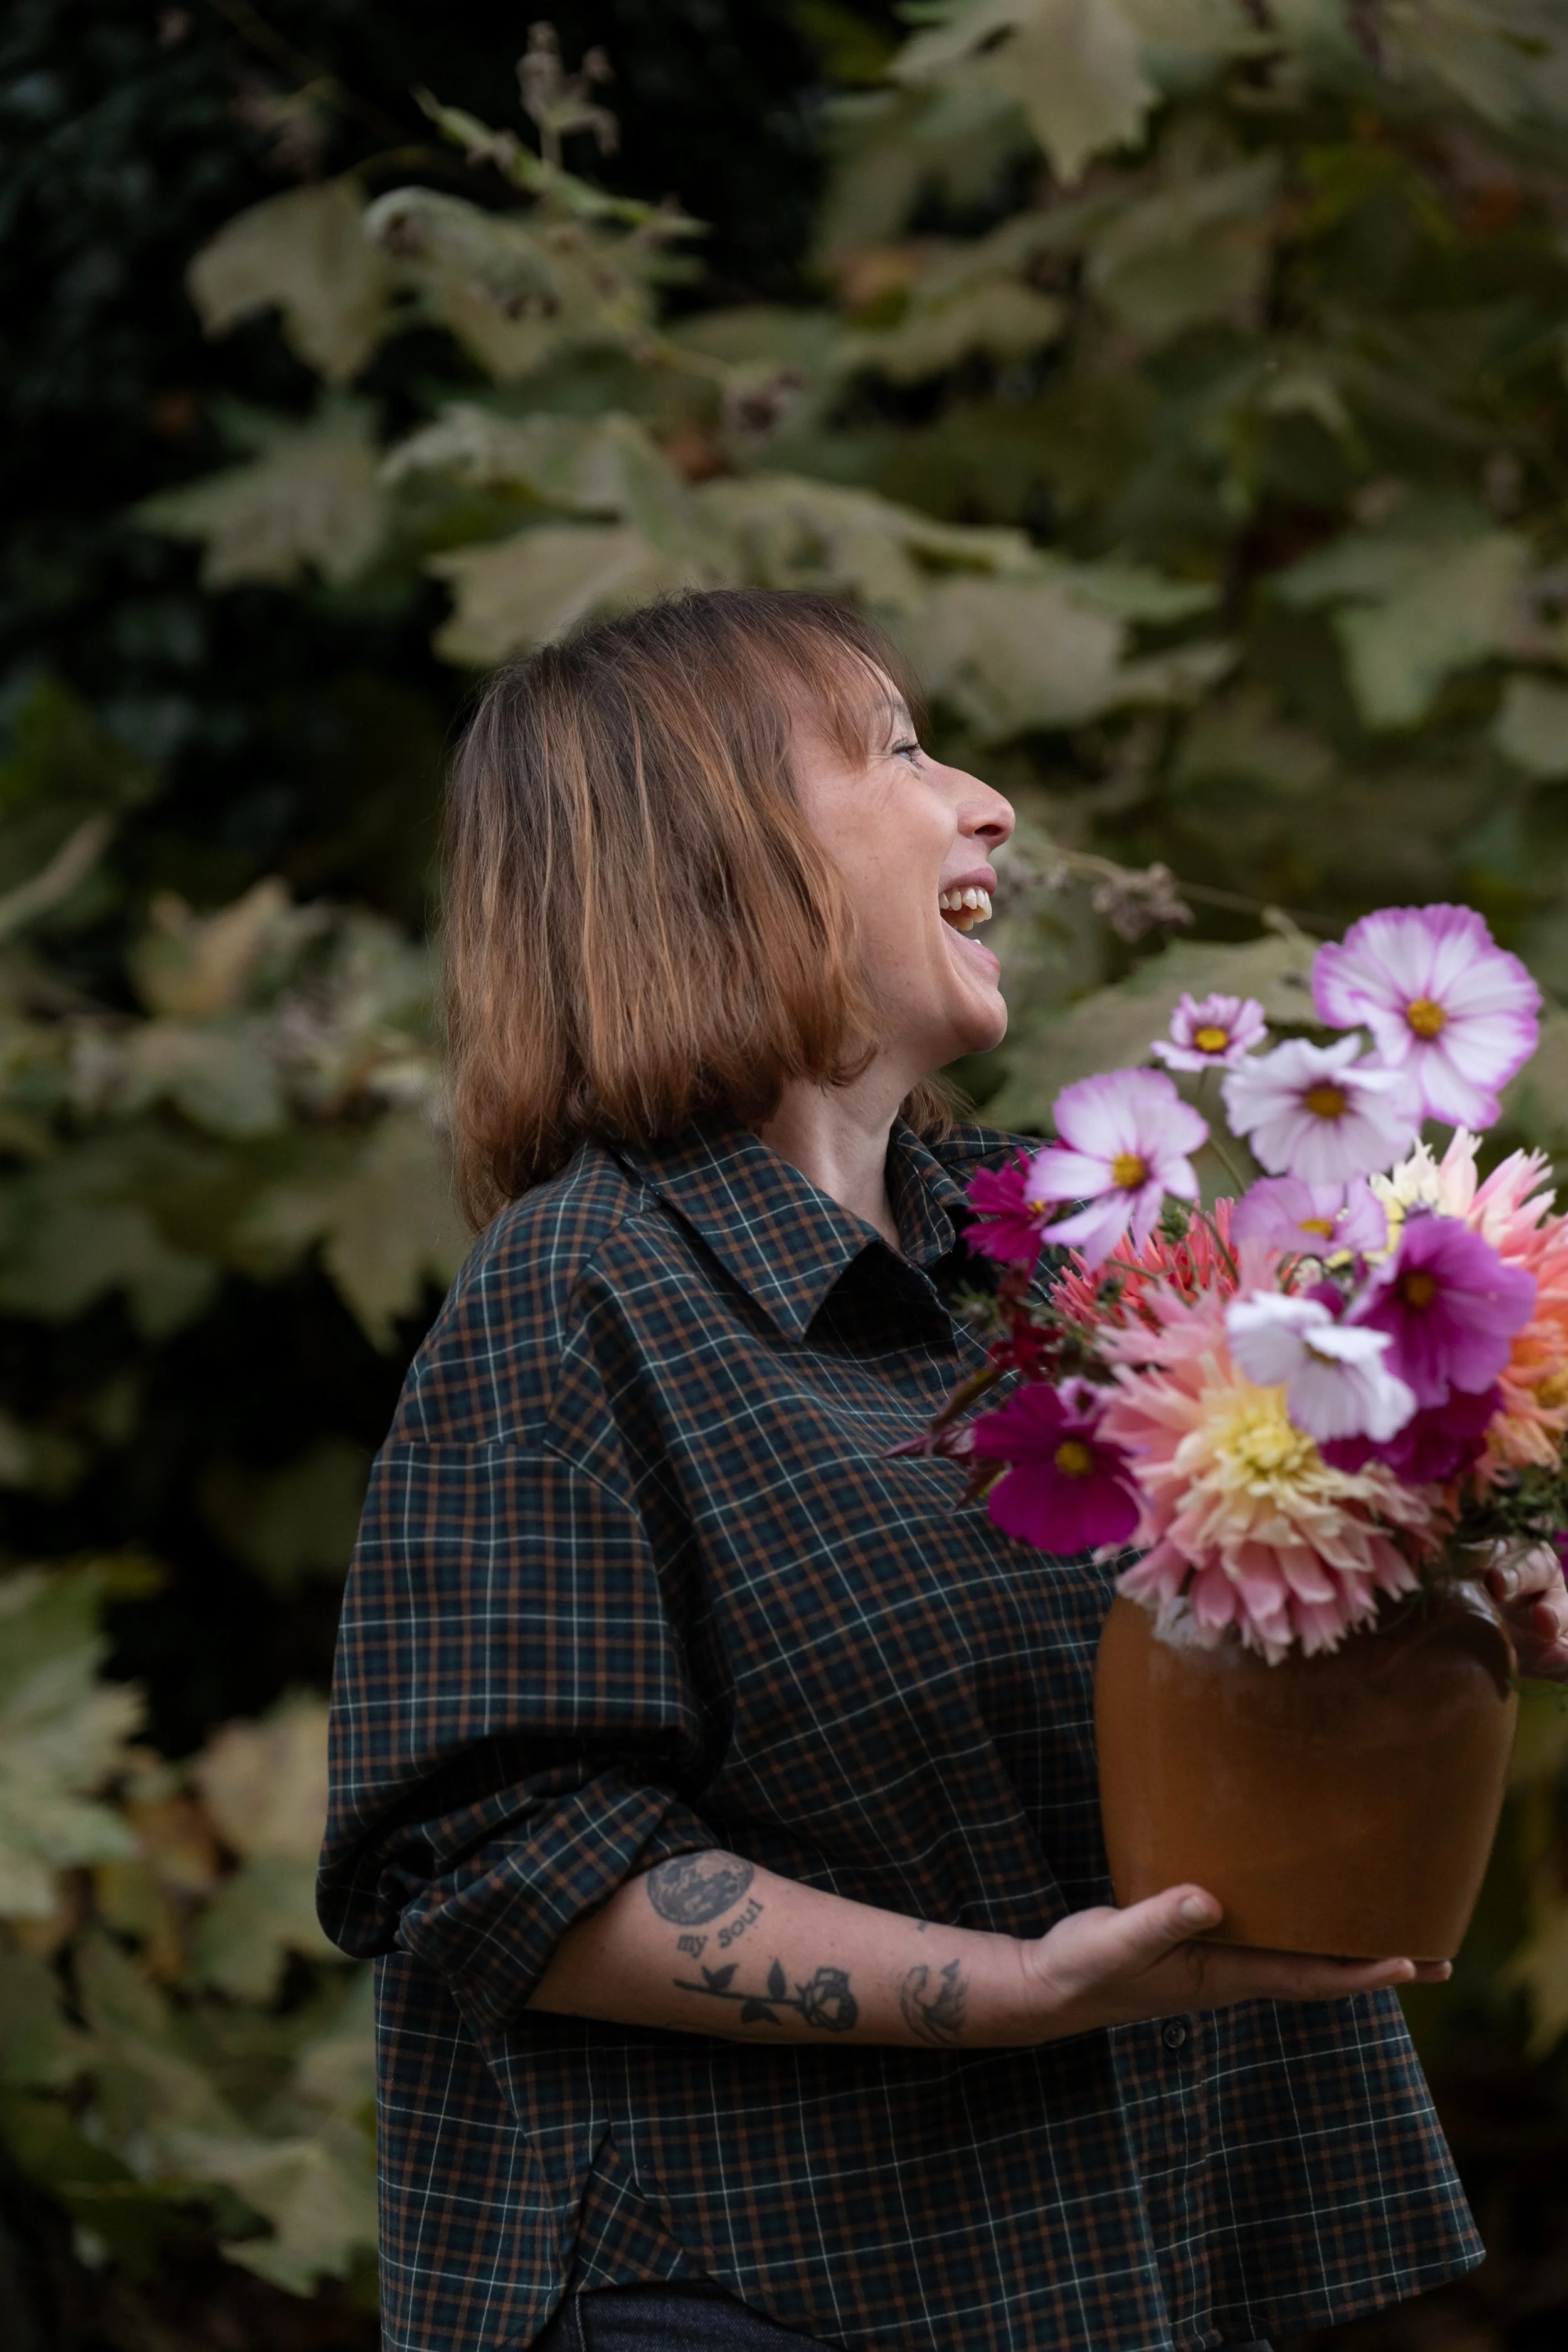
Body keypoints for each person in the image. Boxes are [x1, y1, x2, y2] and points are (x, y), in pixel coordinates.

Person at [319, 588, 1567, 2352]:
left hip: (1097, 2275)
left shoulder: (1059, 1269)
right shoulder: (579, 1290)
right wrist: (1001, 1993)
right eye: (897, 747)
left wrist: (1431, 1550)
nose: (985, 801)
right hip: (740, 2293)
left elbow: (1215, 1644)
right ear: (711, 847)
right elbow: (488, 1863)